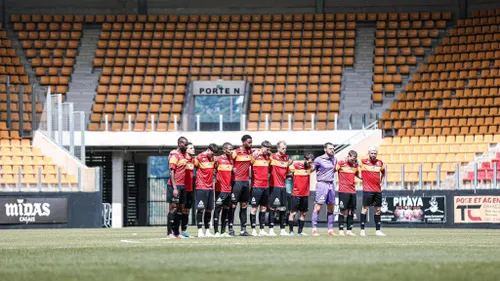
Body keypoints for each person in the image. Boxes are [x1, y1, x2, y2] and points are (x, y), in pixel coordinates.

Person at [359, 146, 386, 236]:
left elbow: (383, 172)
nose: (373, 155)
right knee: (365, 209)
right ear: (368, 153)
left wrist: (381, 181)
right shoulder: (363, 162)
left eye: (375, 153)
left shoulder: (380, 163)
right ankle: (362, 230)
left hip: (377, 190)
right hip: (367, 189)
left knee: (378, 210)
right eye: (372, 153)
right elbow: (352, 163)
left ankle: (377, 230)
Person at [311, 142, 337, 236]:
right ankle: (314, 229)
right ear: (325, 149)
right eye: (330, 148)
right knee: (317, 208)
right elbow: (311, 169)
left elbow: (334, 170)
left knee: (331, 208)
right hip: (322, 185)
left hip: (331, 185)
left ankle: (330, 230)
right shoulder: (319, 159)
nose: (332, 150)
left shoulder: (334, 159)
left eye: (333, 148)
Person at [230, 135, 253, 236]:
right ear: (243, 142)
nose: (250, 144)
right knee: (233, 205)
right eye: (249, 142)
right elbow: (229, 161)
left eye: (251, 142)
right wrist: (232, 168)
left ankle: (243, 229)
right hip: (236, 182)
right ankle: (231, 229)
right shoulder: (235, 152)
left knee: (244, 206)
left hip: (245, 182)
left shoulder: (250, 152)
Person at [194, 143, 219, 238]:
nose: (213, 156)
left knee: (209, 210)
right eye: (212, 153)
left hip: (210, 188)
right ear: (208, 150)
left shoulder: (213, 159)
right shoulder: (199, 157)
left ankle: (207, 231)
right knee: (200, 209)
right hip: (201, 187)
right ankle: (200, 231)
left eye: (214, 154)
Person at [269, 140, 292, 236]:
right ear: (278, 148)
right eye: (283, 148)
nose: (284, 149)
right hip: (274, 186)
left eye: (285, 148)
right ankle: (271, 229)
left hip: (283, 187)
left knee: (283, 208)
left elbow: (287, 172)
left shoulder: (287, 158)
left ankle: (282, 229)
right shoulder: (272, 157)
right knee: (273, 208)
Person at [167, 136, 189, 239]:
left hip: (183, 186)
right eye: (185, 144)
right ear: (179, 143)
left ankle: (176, 233)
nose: (186, 146)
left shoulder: (183, 155)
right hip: (174, 185)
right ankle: (169, 233)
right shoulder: (175, 155)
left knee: (180, 209)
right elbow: (171, 172)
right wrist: (175, 188)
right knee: (173, 208)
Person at [288, 153, 315, 236]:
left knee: (303, 214)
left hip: (305, 194)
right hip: (296, 194)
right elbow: (288, 166)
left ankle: (300, 232)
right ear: (305, 159)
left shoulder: (310, 167)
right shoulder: (295, 165)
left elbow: (314, 167)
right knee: (293, 213)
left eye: (311, 162)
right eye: (309, 162)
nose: (310, 164)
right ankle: (291, 232)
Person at [249, 140, 272, 236]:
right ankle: (253, 229)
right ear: (262, 147)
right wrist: (255, 151)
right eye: (267, 149)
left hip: (265, 187)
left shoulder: (268, 157)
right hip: (256, 187)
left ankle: (262, 229)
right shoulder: (255, 155)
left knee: (263, 209)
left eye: (269, 149)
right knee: (254, 209)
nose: (268, 151)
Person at [335, 150, 360, 236]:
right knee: (342, 211)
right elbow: (333, 170)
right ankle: (341, 230)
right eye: (352, 159)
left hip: (352, 191)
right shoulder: (341, 163)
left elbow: (357, 174)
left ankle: (349, 231)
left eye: (354, 160)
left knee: (351, 211)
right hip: (343, 191)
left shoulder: (355, 165)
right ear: (348, 156)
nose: (353, 161)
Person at [213, 142, 234, 237]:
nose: (231, 151)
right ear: (224, 149)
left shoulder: (232, 160)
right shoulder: (218, 159)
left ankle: (223, 231)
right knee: (217, 209)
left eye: (231, 149)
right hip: (220, 189)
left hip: (229, 190)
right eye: (229, 149)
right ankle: (216, 231)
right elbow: (213, 171)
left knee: (226, 209)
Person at [181, 142, 195, 238]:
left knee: (187, 211)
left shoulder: (194, 160)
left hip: (190, 189)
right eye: (191, 148)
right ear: (186, 149)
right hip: (182, 188)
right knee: (179, 210)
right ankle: (175, 231)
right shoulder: (181, 159)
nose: (193, 149)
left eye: (193, 147)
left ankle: (184, 230)